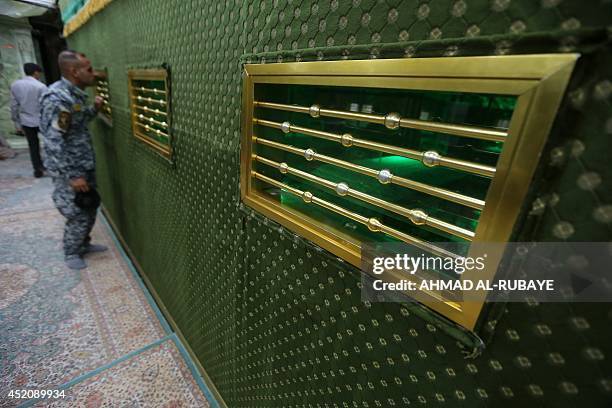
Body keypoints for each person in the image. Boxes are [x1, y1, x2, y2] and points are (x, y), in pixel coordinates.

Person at [39, 50, 107, 270]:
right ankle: (71, 252)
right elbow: (53, 141)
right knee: (77, 212)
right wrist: (72, 176)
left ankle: (84, 244)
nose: (93, 73)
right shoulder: (58, 99)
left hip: (82, 163)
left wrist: (94, 109)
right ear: (74, 72)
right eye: (88, 69)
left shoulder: (73, 96)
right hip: (71, 169)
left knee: (89, 205)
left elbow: (75, 122)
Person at [10, 63, 48, 177]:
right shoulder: (41, 86)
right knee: (49, 142)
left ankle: (37, 169)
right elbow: (46, 105)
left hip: (26, 120)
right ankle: (52, 164)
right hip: (41, 119)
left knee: (33, 146)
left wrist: (16, 122)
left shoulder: (15, 85)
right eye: (39, 73)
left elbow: (14, 106)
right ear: (36, 72)